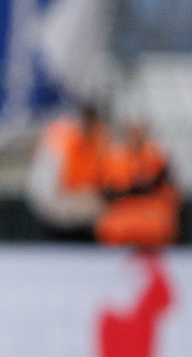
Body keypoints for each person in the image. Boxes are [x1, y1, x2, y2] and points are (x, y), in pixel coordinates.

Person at [26, 102, 108, 241]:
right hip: (54, 204)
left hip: (76, 206)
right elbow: (51, 188)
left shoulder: (98, 140)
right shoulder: (63, 138)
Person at [96, 119, 180, 248]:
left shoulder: (157, 157)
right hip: (123, 209)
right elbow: (109, 191)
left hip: (151, 209)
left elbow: (166, 188)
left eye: (139, 131)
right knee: (111, 226)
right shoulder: (115, 158)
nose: (136, 136)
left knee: (160, 224)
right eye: (133, 132)